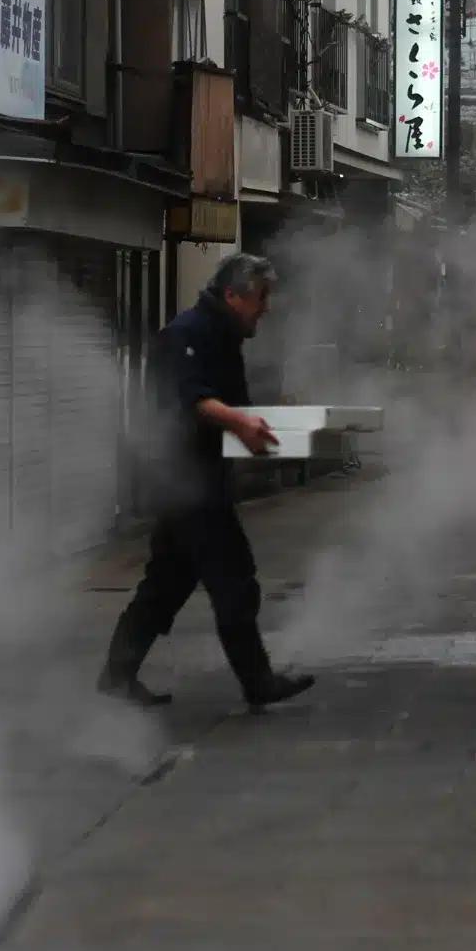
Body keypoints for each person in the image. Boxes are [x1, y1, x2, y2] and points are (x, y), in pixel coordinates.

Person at [97, 253, 315, 709]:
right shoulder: (188, 334)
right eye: (260, 298)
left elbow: (230, 406)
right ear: (233, 295)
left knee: (166, 585)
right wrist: (238, 423)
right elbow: (192, 399)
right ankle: (258, 682)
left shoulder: (222, 335)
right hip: (181, 479)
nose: (266, 308)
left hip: (194, 479)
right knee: (233, 577)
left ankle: (116, 678)